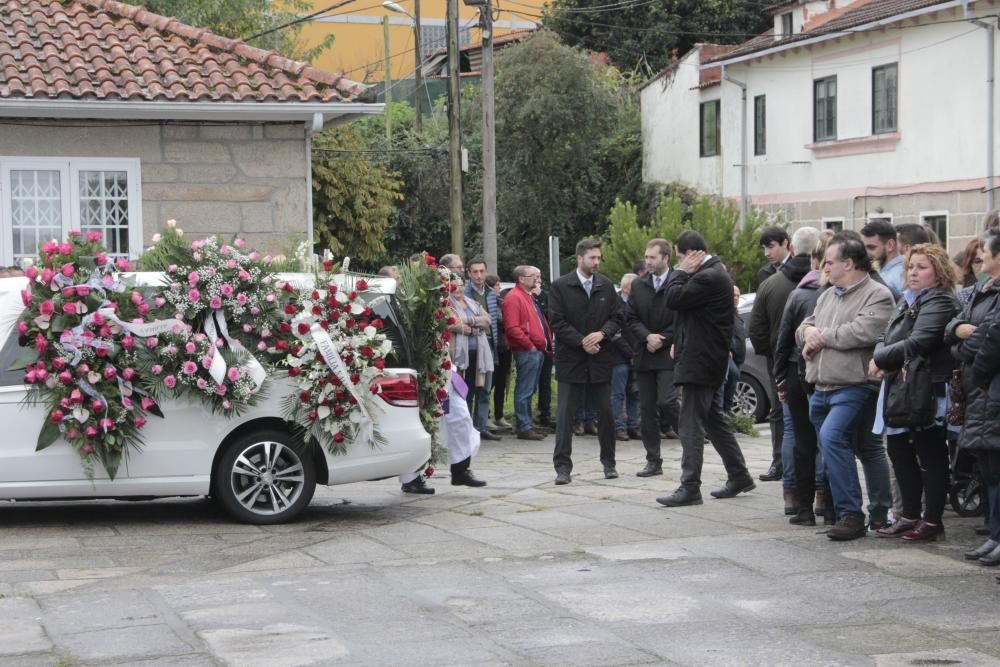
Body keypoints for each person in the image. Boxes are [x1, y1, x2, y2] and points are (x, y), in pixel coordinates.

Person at [797, 234, 895, 540]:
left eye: (829, 261)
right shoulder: (828, 295)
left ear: (848, 263)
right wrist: (810, 332)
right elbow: (803, 327)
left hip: (854, 385)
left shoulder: (877, 295)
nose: (825, 267)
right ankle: (879, 513)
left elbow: (862, 331)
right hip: (821, 387)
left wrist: (821, 336)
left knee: (832, 438)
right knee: (867, 447)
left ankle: (851, 514)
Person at [658, 231, 754, 506]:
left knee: (690, 425)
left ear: (692, 254)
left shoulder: (709, 276)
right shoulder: (711, 275)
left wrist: (678, 272)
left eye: (680, 256)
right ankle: (739, 475)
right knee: (713, 421)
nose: (679, 262)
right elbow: (687, 313)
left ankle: (690, 486)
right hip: (704, 357)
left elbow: (673, 299)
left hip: (701, 360)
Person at [870, 243, 959, 542]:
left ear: (939, 270)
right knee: (898, 449)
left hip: (928, 387)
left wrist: (882, 359)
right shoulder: (907, 299)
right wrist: (881, 354)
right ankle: (908, 516)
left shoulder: (940, 301)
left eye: (922, 266)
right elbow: (887, 334)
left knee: (930, 452)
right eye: (910, 266)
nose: (913, 272)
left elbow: (919, 340)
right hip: (901, 385)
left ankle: (932, 520)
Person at [549, 239, 625, 484]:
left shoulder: (605, 286)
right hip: (571, 359)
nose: (597, 262)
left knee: (605, 412)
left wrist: (602, 334)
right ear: (580, 258)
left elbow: (617, 317)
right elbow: (557, 322)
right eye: (592, 258)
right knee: (566, 414)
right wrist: (582, 341)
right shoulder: (561, 286)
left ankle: (609, 463)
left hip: (600, 358)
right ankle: (562, 467)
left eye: (599, 258)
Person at [947, 230, 1000, 564]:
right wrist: (959, 336)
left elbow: (990, 338)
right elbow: (955, 327)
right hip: (980, 391)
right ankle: (994, 535)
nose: (979, 261)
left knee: (996, 468)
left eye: (984, 255)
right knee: (987, 469)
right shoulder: (982, 290)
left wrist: (977, 374)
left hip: (988, 387)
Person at [750, 227, 818, 487]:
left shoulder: (777, 280)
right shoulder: (770, 276)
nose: (767, 253)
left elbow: (757, 325)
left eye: (771, 246)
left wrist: (773, 353)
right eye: (764, 248)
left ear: (789, 246)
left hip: (785, 358)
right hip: (798, 355)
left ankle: (791, 483)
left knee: (788, 417)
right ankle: (815, 488)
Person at [774, 231, 833, 525]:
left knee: (803, 441)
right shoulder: (836, 293)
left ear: (813, 260)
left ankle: (804, 508)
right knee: (832, 442)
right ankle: (832, 507)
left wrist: (780, 380)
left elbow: (784, 342)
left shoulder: (800, 294)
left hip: (800, 374)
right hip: (830, 374)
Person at [627, 239, 680, 478]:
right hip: (645, 354)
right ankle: (653, 460)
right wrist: (647, 336)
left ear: (665, 258)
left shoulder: (678, 282)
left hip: (668, 355)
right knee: (647, 410)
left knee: (667, 401)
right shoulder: (639, 285)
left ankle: (691, 440)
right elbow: (630, 318)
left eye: (653, 257)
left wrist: (664, 338)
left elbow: (682, 319)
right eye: (646, 257)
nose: (648, 262)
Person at [448, 273, 497, 445]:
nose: (458, 288)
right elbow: (450, 322)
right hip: (459, 356)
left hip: (480, 354)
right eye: (454, 285)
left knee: (483, 390)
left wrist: (468, 321)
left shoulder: (472, 303)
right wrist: (467, 326)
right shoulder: (445, 305)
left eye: (461, 285)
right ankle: (464, 428)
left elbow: (487, 320)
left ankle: (481, 427)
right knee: (463, 393)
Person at [502, 266, 548, 441]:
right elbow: (513, 328)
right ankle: (524, 426)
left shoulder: (526, 296)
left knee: (529, 389)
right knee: (525, 389)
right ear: (521, 279)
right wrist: (529, 345)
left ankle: (528, 424)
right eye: (532, 276)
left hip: (534, 350)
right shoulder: (514, 298)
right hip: (527, 351)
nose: (536, 279)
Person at [465, 257, 501, 441]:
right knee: (469, 389)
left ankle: (480, 426)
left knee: (486, 389)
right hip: (471, 346)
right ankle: (468, 427)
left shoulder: (491, 293)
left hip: (489, 345)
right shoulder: (464, 292)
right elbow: (466, 318)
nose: (479, 276)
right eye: (475, 272)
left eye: (481, 271)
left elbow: (492, 321)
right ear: (469, 273)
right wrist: (480, 322)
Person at [611, 273, 641, 442]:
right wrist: (630, 354)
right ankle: (618, 427)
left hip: (637, 356)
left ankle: (633, 426)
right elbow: (615, 334)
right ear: (626, 287)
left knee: (635, 393)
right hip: (618, 357)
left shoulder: (638, 304)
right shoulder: (615, 304)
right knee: (618, 394)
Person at [486, 274, 513, 431]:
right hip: (495, 347)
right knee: (492, 382)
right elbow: (502, 320)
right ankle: (487, 414)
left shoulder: (501, 301)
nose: (499, 288)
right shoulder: (492, 303)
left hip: (505, 347)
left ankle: (499, 415)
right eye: (496, 285)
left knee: (502, 383)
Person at [532, 279, 555, 430]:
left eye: (540, 278)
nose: (538, 281)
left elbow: (551, 315)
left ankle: (545, 414)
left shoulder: (547, 296)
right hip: (532, 346)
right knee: (530, 384)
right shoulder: (525, 296)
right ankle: (527, 418)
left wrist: (540, 297)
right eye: (535, 278)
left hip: (547, 345)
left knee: (545, 382)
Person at [860, 219, 905, 295]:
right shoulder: (884, 272)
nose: (866, 253)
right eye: (863, 248)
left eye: (871, 247)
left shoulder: (899, 276)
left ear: (890, 245)